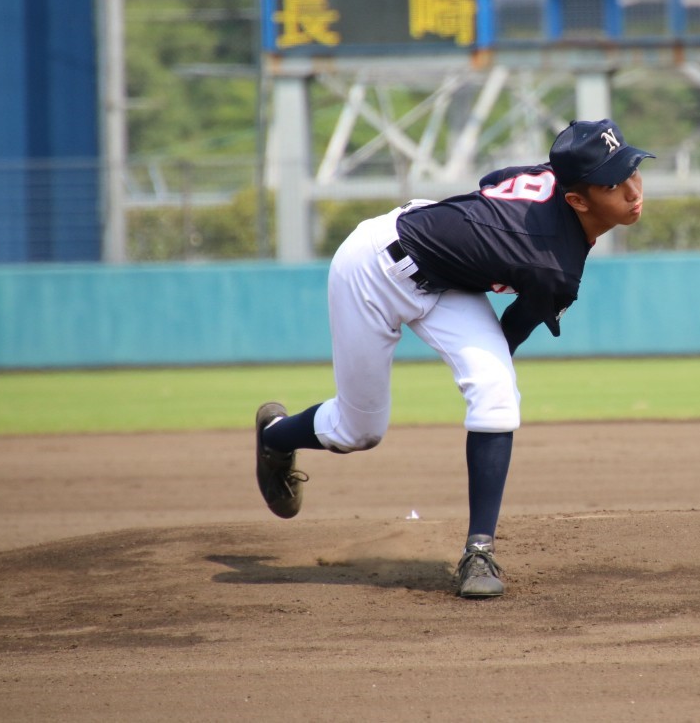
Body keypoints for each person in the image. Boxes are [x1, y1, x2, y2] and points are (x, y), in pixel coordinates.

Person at [253, 119, 654, 597]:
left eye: (633, 169)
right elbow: (511, 331)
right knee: (359, 431)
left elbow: (493, 181)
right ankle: (275, 436)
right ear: (577, 199)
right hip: (373, 269)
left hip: (447, 278)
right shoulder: (551, 264)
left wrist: (484, 380)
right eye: (614, 183)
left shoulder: (557, 181)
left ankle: (478, 552)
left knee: (497, 394)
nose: (633, 189)